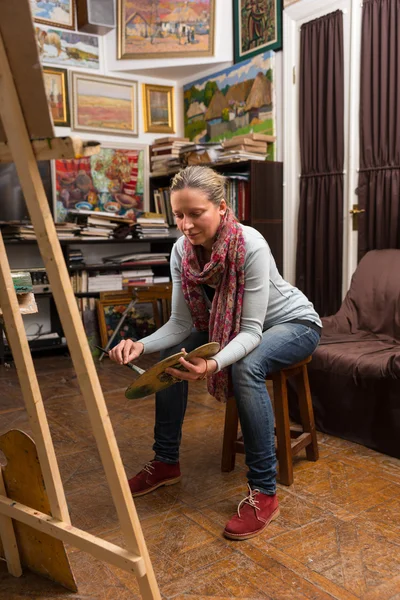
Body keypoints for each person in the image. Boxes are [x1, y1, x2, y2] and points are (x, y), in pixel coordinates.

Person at [109, 165, 321, 541]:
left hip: (293, 325)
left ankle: (264, 491)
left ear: (222, 208)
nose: (186, 225)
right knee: (175, 350)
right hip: (233, 327)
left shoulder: (250, 244)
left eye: (196, 214)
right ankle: (165, 462)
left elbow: (252, 331)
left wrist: (212, 363)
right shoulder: (181, 251)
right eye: (178, 215)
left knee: (246, 367)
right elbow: (179, 323)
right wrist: (139, 345)